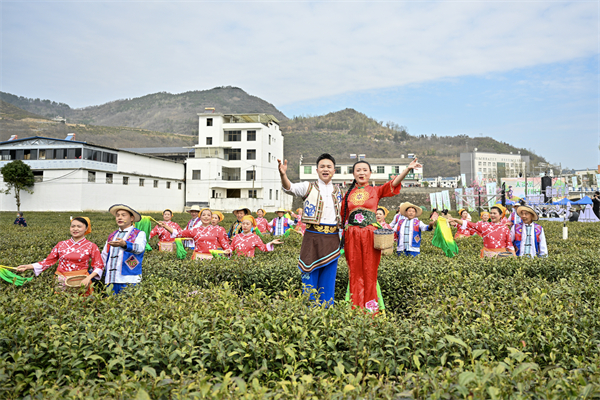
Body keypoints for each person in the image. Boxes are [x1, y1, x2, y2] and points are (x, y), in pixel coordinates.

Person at [341, 157, 421, 313]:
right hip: (352, 237)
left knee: (370, 271)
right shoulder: (348, 194)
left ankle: (371, 310)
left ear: (370, 173)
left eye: (365, 170)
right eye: (358, 170)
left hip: (370, 236)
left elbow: (393, 184)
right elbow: (342, 217)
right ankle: (354, 308)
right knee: (354, 272)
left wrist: (407, 169)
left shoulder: (375, 190)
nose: (362, 173)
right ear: (353, 174)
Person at [280, 153, 343, 306]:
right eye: (322, 166)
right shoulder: (307, 187)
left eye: (329, 167)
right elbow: (289, 188)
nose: (325, 169)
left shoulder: (340, 192)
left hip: (332, 240)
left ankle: (327, 311)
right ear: (317, 170)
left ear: (334, 171)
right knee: (309, 276)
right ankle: (309, 312)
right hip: (312, 238)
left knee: (329, 280)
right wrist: (283, 175)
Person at [16, 217, 103, 295]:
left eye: (79, 226)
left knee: (80, 304)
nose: (75, 229)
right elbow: (48, 261)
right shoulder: (61, 244)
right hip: (61, 280)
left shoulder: (91, 246)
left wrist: (88, 278)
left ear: (86, 228)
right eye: (73, 226)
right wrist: (28, 266)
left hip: (80, 280)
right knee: (61, 303)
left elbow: (99, 266)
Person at [101, 204, 147, 294]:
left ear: (132, 218)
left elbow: (139, 248)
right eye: (117, 215)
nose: (120, 217)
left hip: (130, 279)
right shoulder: (112, 235)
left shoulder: (139, 233)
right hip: (111, 279)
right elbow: (104, 255)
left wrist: (125, 244)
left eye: (123, 215)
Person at [447, 204, 515, 258]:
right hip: (487, 256)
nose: (492, 215)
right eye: (491, 213)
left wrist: (514, 258)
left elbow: (509, 244)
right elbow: (469, 224)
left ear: (501, 215)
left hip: (501, 256)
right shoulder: (484, 225)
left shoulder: (505, 228)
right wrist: (456, 220)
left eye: (494, 213)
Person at [161, 208, 231, 260]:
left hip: (212, 259)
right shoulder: (195, 230)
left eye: (208, 215)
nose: (206, 217)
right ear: (200, 217)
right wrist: (165, 226)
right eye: (203, 215)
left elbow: (224, 244)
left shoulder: (218, 230)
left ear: (211, 218)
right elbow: (178, 233)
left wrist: (228, 250)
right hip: (198, 258)